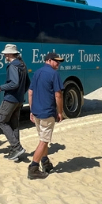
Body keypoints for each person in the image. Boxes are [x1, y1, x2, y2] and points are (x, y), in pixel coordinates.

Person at [27, 52, 65, 180]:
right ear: (49, 60)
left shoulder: (37, 72)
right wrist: (60, 112)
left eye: (59, 62)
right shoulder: (54, 74)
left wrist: (31, 110)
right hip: (47, 112)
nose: (58, 64)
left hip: (37, 111)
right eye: (56, 61)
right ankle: (33, 167)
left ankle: (45, 162)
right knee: (44, 141)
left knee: (43, 137)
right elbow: (58, 95)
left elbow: (30, 92)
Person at [0, 44, 30, 161]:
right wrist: (21, 94)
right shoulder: (22, 65)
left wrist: (1, 87)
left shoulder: (12, 66)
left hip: (10, 98)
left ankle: (17, 147)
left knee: (2, 121)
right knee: (14, 124)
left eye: (5, 54)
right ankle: (15, 153)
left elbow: (14, 83)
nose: (4, 55)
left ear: (10, 54)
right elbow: (27, 83)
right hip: (19, 100)